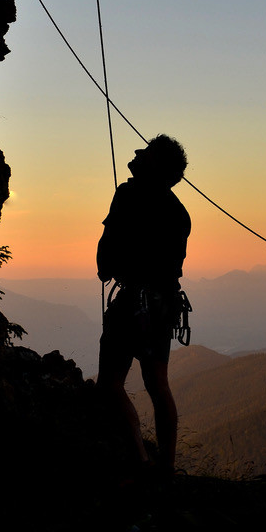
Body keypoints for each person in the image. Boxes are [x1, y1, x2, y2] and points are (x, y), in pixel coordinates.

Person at [96, 135, 191, 476]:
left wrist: (110, 267)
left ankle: (140, 462)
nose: (137, 152)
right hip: (161, 305)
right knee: (157, 383)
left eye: (146, 152)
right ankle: (166, 468)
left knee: (110, 383)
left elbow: (107, 258)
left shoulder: (129, 195)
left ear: (155, 165)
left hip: (133, 304)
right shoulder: (179, 213)